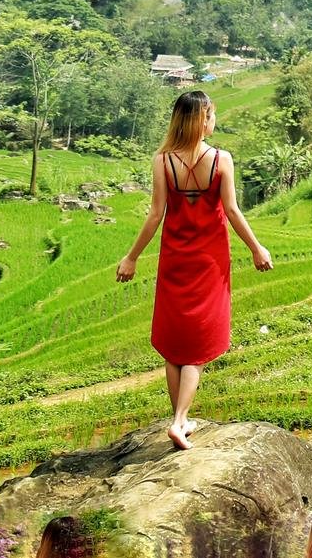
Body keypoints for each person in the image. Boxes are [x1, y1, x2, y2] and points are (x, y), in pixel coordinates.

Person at [116, 90, 273, 449]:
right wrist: (257, 248)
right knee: (199, 346)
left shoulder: (162, 161)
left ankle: (181, 420)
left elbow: (155, 215)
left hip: (174, 260)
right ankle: (179, 420)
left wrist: (132, 257)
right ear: (202, 120)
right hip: (210, 261)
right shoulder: (221, 160)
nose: (214, 121)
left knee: (175, 346)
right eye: (211, 115)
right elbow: (231, 210)